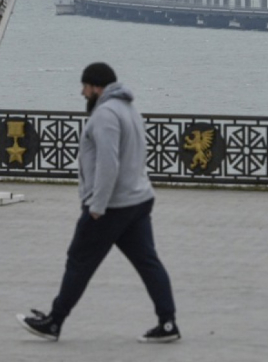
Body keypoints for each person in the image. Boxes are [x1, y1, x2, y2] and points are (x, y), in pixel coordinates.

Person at [16, 62, 180, 343]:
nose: (82, 93)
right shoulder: (129, 109)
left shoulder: (105, 114)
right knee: (148, 263)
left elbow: (108, 163)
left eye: (85, 87)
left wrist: (97, 206)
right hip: (138, 200)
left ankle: (54, 322)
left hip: (111, 207)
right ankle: (167, 324)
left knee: (78, 262)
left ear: (96, 88)